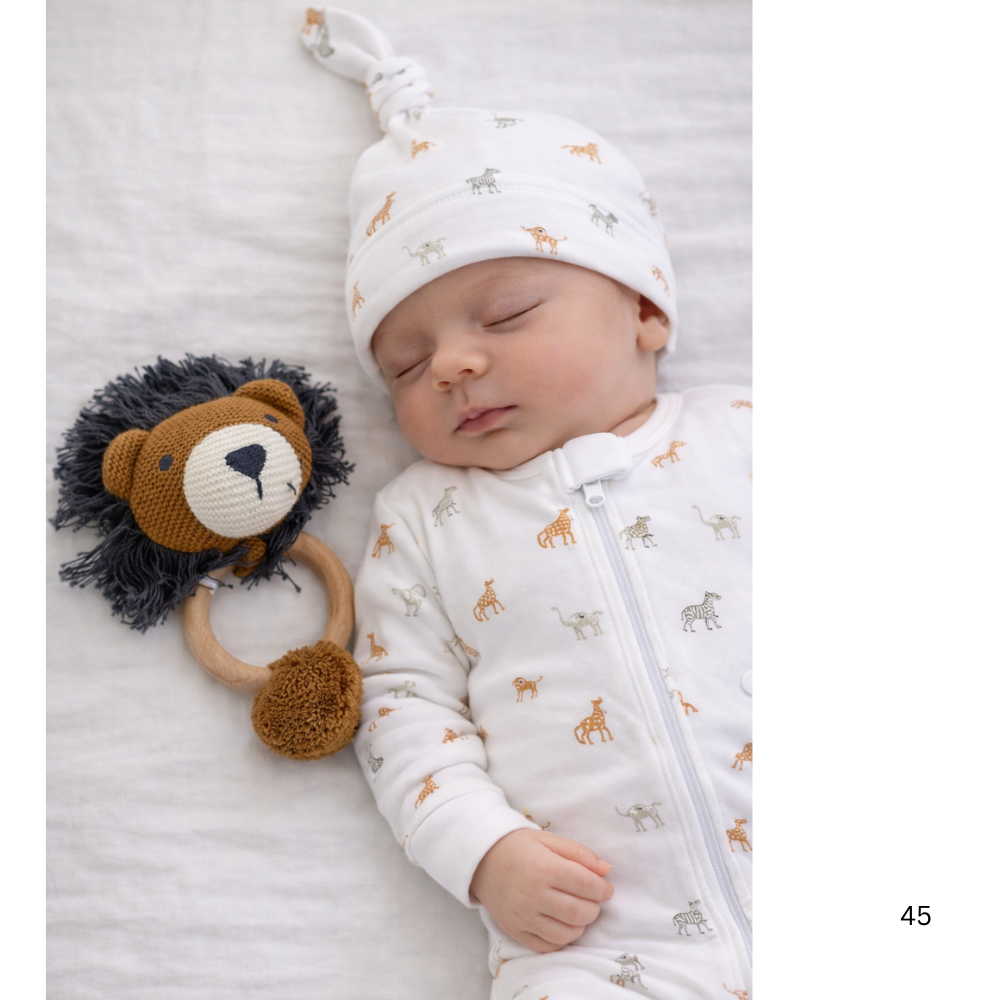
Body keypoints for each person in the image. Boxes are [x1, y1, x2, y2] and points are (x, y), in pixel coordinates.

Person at [302, 9, 751, 998]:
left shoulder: (747, 435)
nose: (454, 364)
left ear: (644, 309)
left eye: (504, 315)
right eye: (406, 366)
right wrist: (484, 850)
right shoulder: (424, 523)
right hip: (609, 945)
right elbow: (403, 707)